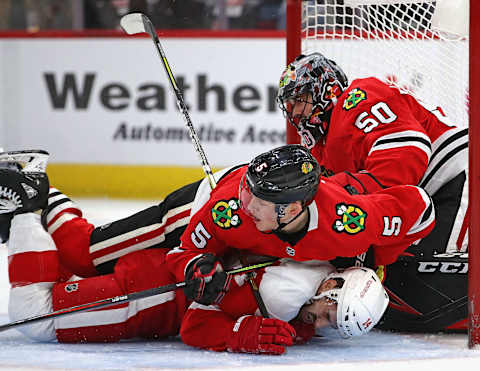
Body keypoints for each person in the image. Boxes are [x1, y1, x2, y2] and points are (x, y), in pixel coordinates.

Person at [1, 162, 389, 351]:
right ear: (333, 283)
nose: (319, 324)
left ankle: (40, 196)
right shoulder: (286, 289)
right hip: (159, 275)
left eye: (330, 325)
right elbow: (198, 322)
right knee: (39, 311)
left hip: (162, 274)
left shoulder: (308, 275)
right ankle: (25, 207)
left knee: (74, 260)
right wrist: (239, 333)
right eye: (327, 312)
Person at [276, 52, 469, 331]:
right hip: (431, 196)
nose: (294, 112)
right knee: (399, 280)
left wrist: (349, 194)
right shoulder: (320, 149)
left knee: (432, 281)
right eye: (289, 105)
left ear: (325, 89)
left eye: (300, 100)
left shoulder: (358, 98)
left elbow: (408, 154)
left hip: (459, 174)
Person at [165, 144, 434, 306]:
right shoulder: (231, 210)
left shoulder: (349, 222)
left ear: (292, 209)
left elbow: (421, 208)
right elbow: (181, 252)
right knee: (151, 232)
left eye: (257, 201)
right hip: (200, 202)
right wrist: (195, 265)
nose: (248, 207)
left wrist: (376, 259)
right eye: (247, 195)